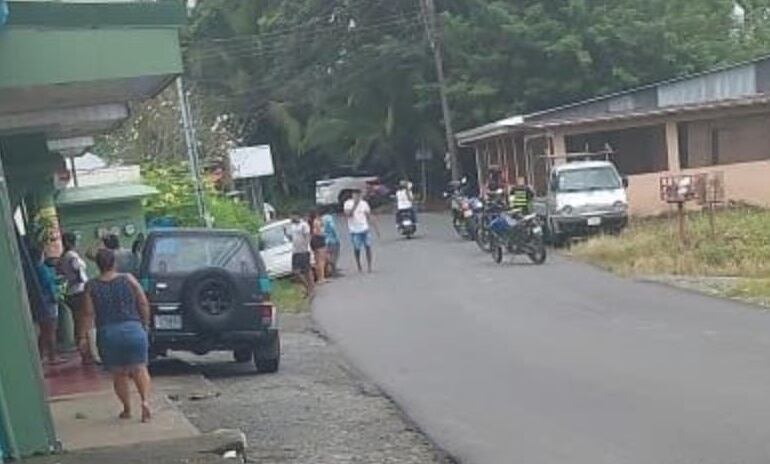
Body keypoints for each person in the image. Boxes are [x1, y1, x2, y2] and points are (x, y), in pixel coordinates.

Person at [81, 249, 152, 422]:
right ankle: (145, 402)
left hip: (108, 333)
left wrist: (83, 337)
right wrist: (144, 323)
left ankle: (127, 409)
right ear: (114, 263)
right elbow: (142, 302)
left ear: (97, 265)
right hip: (134, 329)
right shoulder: (128, 279)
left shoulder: (91, 286)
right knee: (140, 368)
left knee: (119, 374)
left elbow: (88, 314)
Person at [59, 232, 93, 365]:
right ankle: (86, 354)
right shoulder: (72, 256)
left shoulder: (64, 257)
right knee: (83, 323)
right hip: (79, 291)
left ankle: (84, 353)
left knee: (78, 321)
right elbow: (78, 270)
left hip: (71, 292)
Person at [31, 246, 61, 365]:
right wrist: (55, 296)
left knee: (43, 331)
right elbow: (49, 285)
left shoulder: (32, 269)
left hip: (39, 302)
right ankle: (53, 356)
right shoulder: (43, 269)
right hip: (49, 301)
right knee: (51, 329)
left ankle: (40, 356)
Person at [343, 189, 379, 273]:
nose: (357, 196)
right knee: (357, 248)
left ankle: (369, 266)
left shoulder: (364, 204)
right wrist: (355, 205)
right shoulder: (348, 203)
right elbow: (348, 215)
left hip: (364, 229)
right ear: (352, 195)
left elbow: (368, 216)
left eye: (359, 195)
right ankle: (358, 263)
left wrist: (376, 228)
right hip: (354, 230)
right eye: (355, 195)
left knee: (368, 246)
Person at [288, 212, 314, 298]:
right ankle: (307, 287)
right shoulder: (292, 226)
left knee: (307, 271)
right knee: (296, 272)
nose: (291, 218)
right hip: (295, 251)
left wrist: (305, 247)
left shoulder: (304, 225)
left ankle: (311, 290)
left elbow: (307, 236)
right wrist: (286, 233)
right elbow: (291, 238)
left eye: (293, 216)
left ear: (297, 216)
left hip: (303, 251)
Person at [308, 210, 327, 284]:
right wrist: (324, 235)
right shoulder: (317, 221)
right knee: (321, 260)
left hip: (313, 241)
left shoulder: (310, 222)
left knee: (317, 260)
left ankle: (319, 278)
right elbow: (319, 232)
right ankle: (322, 277)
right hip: (319, 240)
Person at [322, 211, 341, 277]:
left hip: (325, 240)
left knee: (328, 255)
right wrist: (337, 237)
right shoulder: (329, 218)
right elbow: (333, 227)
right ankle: (333, 271)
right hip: (332, 240)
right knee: (334, 256)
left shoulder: (321, 218)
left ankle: (328, 271)